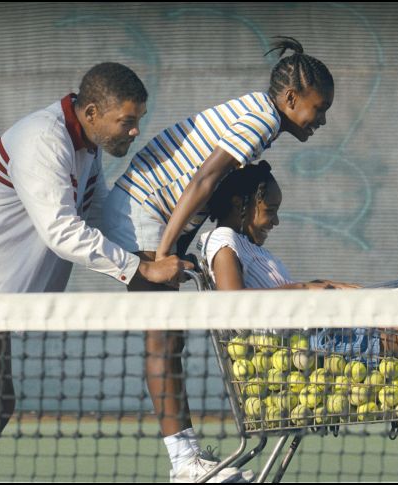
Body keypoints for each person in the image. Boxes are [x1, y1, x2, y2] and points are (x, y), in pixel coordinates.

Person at [0, 63, 190, 483]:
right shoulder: (43, 139)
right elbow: (62, 231)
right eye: (127, 121)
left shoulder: (87, 150)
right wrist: (141, 268)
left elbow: (96, 217)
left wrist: (146, 261)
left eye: (138, 121)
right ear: (94, 112)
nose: (134, 131)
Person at [198, 161, 398, 483]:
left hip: (338, 333)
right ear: (240, 204)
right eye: (270, 210)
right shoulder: (222, 239)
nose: (277, 220)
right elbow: (235, 306)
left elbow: (282, 294)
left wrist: (327, 284)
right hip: (333, 347)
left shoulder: (249, 246)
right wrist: (307, 289)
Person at [101, 37, 335, 483]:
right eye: (318, 108)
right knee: (164, 340)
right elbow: (204, 180)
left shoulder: (259, 118)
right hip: (143, 214)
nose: (321, 120)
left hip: (158, 217)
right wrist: (166, 253)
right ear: (291, 99)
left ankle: (187, 459)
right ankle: (185, 463)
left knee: (169, 340)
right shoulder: (260, 121)